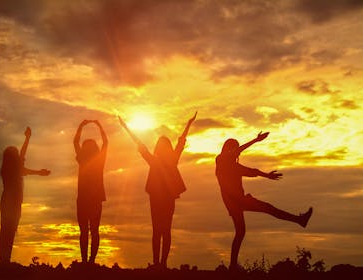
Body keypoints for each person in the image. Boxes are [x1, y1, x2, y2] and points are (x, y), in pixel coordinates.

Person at [215, 131, 313, 271]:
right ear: (228, 149)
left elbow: (251, 171)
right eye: (234, 148)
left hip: (234, 202)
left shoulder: (235, 166)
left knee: (241, 231)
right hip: (236, 201)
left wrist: (266, 175)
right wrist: (255, 140)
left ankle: (232, 265)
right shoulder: (220, 160)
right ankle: (299, 220)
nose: (237, 152)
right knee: (267, 209)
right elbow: (238, 155)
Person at [119, 112, 196, 269]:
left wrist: (189, 124)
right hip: (162, 198)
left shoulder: (160, 160)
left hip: (160, 198)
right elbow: (142, 145)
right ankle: (159, 263)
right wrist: (126, 128)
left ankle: (160, 263)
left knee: (160, 231)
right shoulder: (165, 160)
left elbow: (179, 142)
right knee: (163, 230)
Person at [0, 127, 50, 264]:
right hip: (13, 202)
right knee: (9, 232)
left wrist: (27, 138)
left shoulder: (7, 169)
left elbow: (22, 160)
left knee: (6, 231)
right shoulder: (15, 170)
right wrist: (27, 138)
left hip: (8, 201)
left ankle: (4, 261)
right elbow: (23, 157)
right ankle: (5, 261)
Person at [74, 120, 108, 264]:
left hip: (83, 199)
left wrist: (81, 126)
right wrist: (99, 126)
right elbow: (106, 143)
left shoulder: (82, 160)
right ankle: (91, 261)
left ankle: (85, 261)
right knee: (94, 231)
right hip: (94, 199)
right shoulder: (99, 160)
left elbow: (75, 142)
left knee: (84, 232)